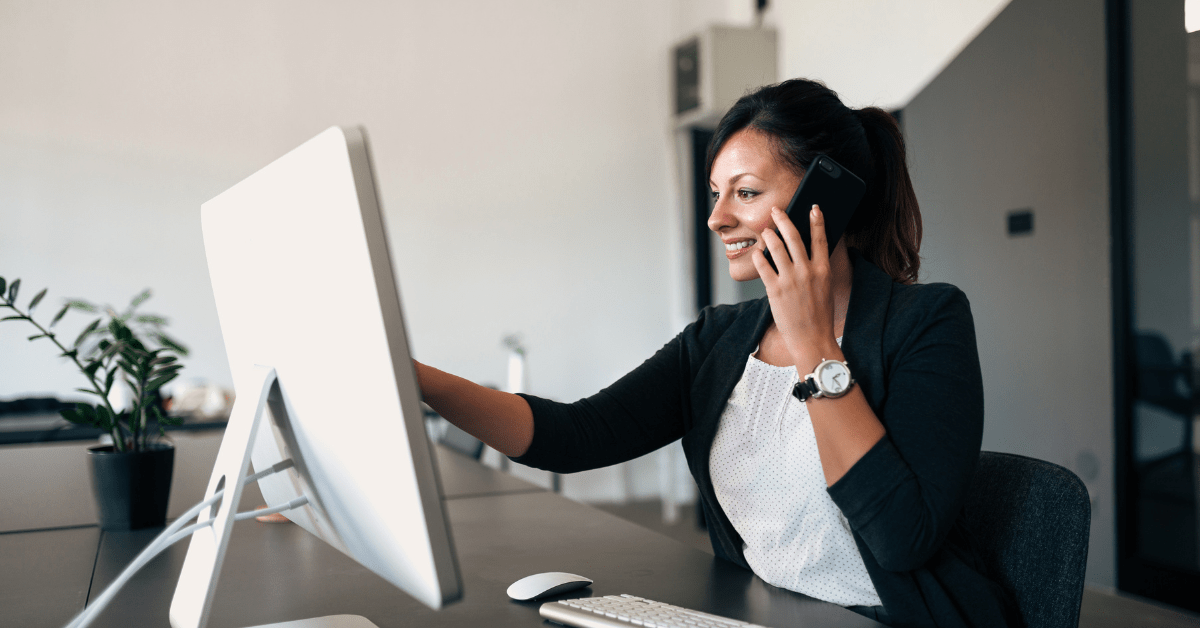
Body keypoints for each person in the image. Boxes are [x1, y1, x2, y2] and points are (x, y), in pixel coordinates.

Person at [415, 78, 1018, 628]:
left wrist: (811, 342)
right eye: (714, 194)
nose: (716, 218)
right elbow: (574, 436)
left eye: (746, 193)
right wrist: (414, 379)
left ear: (825, 199)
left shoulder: (926, 321)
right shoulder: (718, 340)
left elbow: (900, 539)